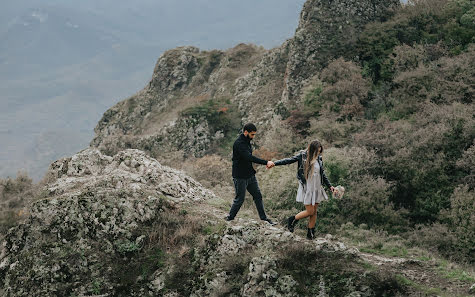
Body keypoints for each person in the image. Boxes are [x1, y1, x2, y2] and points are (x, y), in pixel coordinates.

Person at [271, 140, 334, 239]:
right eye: (317, 151)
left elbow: (322, 174)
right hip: (307, 187)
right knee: (310, 211)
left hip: (317, 187)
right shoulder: (303, 156)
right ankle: (292, 219)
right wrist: (274, 163)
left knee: (314, 211)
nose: (318, 153)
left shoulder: (319, 159)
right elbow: (289, 160)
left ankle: (310, 234)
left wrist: (330, 186)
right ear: (312, 150)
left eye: (319, 151)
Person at [226, 123, 276, 225]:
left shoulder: (247, 141)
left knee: (258, 196)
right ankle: (230, 219)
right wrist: (266, 162)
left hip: (250, 175)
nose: (253, 137)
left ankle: (264, 219)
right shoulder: (239, 143)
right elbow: (249, 157)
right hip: (240, 176)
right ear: (245, 132)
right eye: (252, 134)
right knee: (240, 199)